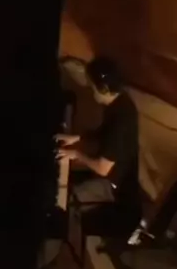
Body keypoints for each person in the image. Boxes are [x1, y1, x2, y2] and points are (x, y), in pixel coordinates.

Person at [57, 56, 140, 211]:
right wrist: (76, 138)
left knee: (65, 202)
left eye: (92, 86)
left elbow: (102, 168)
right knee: (67, 176)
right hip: (108, 172)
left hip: (112, 185)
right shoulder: (120, 101)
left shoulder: (121, 121)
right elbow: (105, 131)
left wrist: (76, 154)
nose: (90, 88)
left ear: (104, 89)